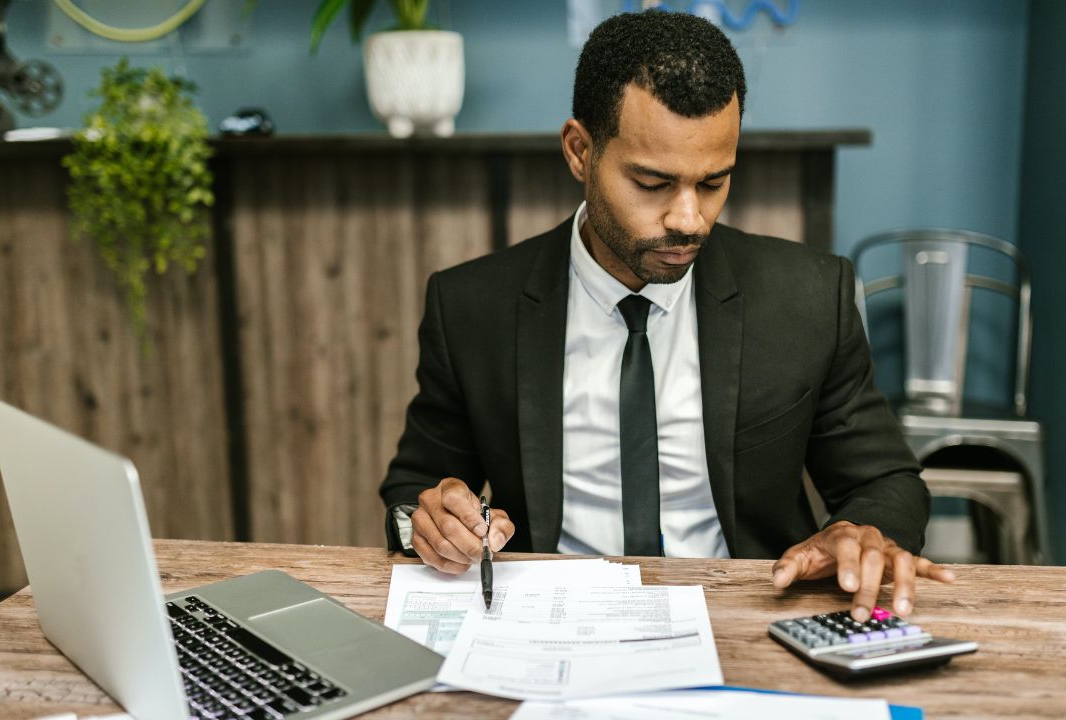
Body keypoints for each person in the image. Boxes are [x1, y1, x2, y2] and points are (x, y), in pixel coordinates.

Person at [380, 10, 953, 622]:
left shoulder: (810, 297)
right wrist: (430, 522)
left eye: (713, 182)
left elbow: (887, 482)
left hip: (750, 615)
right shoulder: (472, 305)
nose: (688, 218)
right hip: (547, 620)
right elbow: (415, 489)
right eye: (652, 182)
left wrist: (862, 531)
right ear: (580, 151)